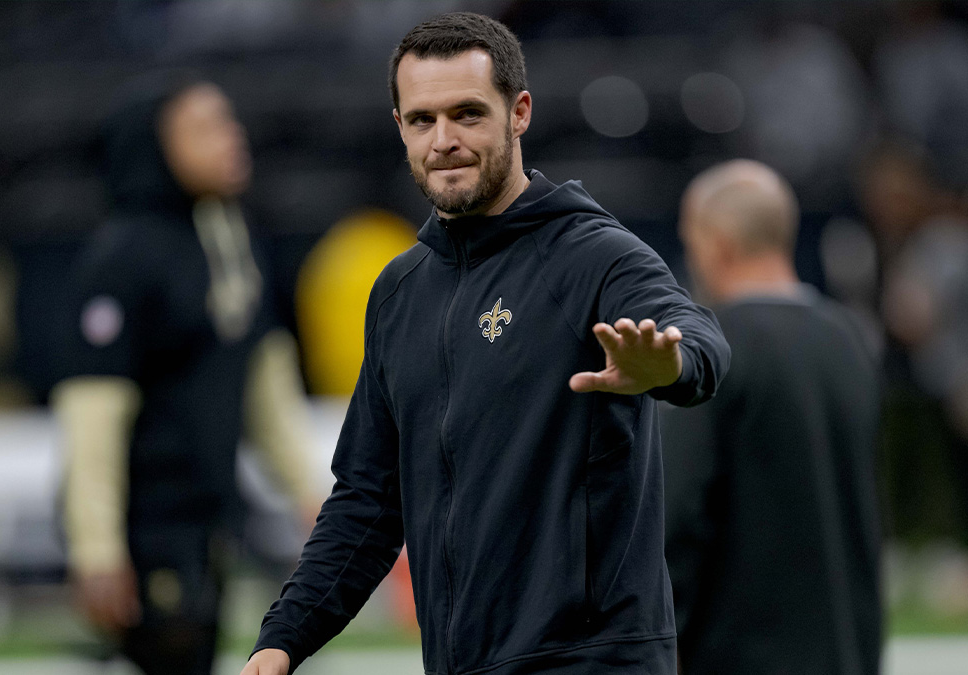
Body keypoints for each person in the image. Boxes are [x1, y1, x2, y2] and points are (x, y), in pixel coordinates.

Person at [242, 12, 730, 675]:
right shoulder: (399, 292)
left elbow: (698, 337)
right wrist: (282, 640)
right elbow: (367, 501)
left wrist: (671, 361)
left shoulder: (593, 254)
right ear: (400, 127)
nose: (443, 140)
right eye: (422, 119)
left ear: (519, 112)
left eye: (467, 114)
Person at [52, 75, 318, 675]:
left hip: (210, 519)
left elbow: (265, 381)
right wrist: (96, 547)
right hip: (150, 524)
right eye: (204, 129)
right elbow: (91, 416)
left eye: (229, 122)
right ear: (156, 148)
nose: (233, 138)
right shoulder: (122, 255)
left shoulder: (231, 235)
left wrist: (311, 491)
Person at [663, 160, 883, 674]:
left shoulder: (714, 347)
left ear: (717, 243)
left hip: (738, 652)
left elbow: (678, 509)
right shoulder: (848, 337)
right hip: (845, 647)